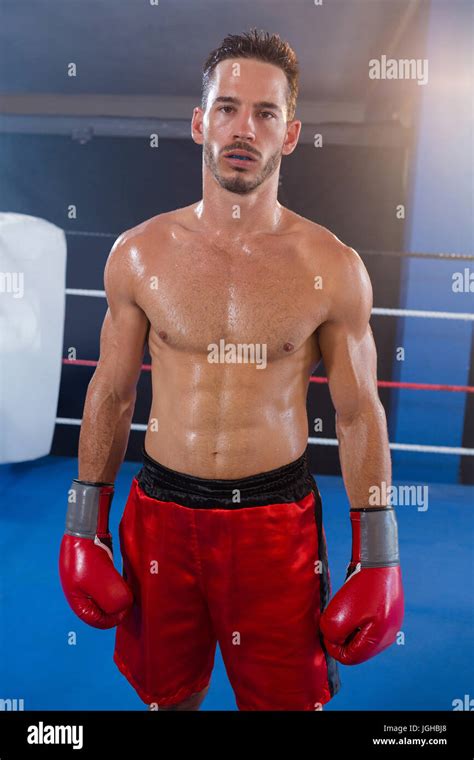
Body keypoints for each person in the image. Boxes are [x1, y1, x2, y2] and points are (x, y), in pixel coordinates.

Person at [59, 29, 404, 711]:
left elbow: (359, 409)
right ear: (199, 122)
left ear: (292, 133)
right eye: (227, 108)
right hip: (161, 514)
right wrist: (83, 522)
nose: (244, 129)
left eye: (266, 113)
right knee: (168, 700)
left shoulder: (331, 265)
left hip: (275, 527)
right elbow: (112, 389)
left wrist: (380, 552)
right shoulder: (139, 254)